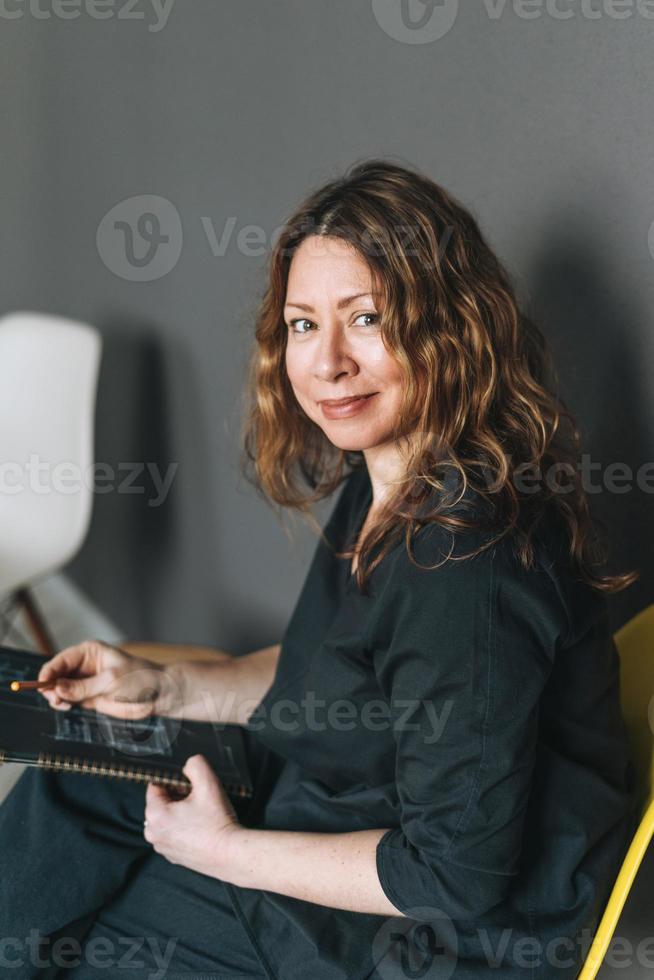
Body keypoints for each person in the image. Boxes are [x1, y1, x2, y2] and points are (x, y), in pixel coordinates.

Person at [0, 158, 641, 979]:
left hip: (423, 940)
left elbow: (457, 873)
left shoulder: (464, 567)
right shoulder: (389, 477)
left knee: (92, 938)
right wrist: (168, 689)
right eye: (304, 324)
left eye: (366, 319)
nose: (327, 362)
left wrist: (226, 852)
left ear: (450, 327)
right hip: (345, 806)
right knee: (84, 777)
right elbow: (335, 678)